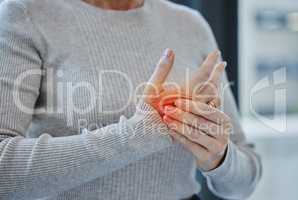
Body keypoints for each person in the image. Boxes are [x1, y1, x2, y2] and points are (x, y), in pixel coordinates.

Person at [0, 0, 262, 199]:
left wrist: (218, 157)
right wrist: (140, 134)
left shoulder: (190, 24)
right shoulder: (25, 14)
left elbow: (245, 179)